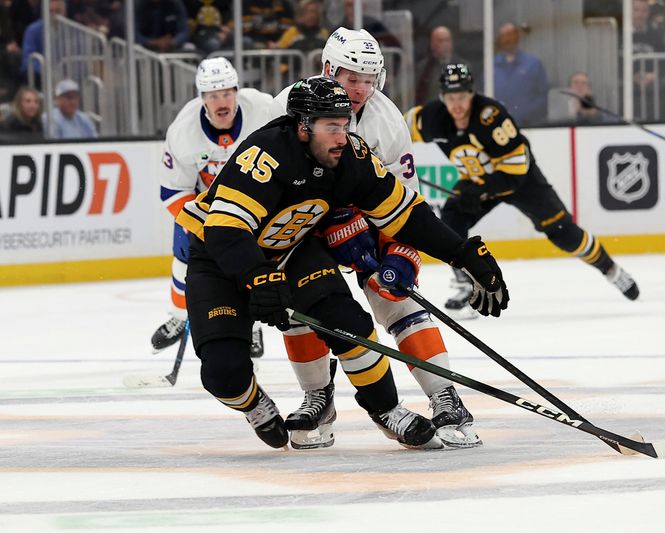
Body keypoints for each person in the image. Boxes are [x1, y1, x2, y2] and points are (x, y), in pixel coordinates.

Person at [174, 75, 508, 450]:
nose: (341, 136)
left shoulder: (350, 155)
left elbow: (406, 215)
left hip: (292, 251)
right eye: (331, 126)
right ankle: (256, 405)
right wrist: (257, 277)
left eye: (345, 124)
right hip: (219, 259)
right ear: (303, 127)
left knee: (350, 323)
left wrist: (464, 254)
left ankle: (386, 410)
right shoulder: (266, 154)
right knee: (224, 373)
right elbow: (225, 229)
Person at [268, 28, 482, 450]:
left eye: (370, 78)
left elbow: (403, 201)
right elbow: (268, 189)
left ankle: (444, 395)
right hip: (298, 226)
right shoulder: (286, 109)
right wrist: (331, 226)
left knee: (394, 295)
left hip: (363, 221)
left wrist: (401, 255)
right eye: (352, 78)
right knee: (303, 307)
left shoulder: (386, 120)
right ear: (329, 70)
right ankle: (319, 397)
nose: (362, 89)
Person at [406, 63, 640, 314]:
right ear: (442, 97)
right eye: (451, 98)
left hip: (521, 181)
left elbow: (515, 172)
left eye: (462, 96)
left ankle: (610, 269)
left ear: (472, 93)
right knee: (451, 222)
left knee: (564, 232)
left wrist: (481, 189)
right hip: (479, 180)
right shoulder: (431, 117)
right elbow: (396, 130)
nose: (457, 105)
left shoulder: (491, 117)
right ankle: (467, 284)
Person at [152, 57, 273, 358]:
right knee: (183, 256)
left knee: (249, 262)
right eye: (213, 95)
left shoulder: (262, 110)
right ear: (202, 99)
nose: (222, 101)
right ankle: (179, 318)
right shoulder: (183, 131)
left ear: (237, 91)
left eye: (227, 93)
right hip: (202, 205)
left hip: (254, 202)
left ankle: (253, 326)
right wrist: (204, 225)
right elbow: (172, 191)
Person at [493, 22, 548, 127]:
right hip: (498, 127)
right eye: (504, 36)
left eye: (510, 34)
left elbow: (543, 98)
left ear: (517, 37)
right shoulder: (491, 66)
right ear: (499, 40)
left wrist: (525, 115)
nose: (507, 39)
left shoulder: (533, 64)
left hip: (529, 126)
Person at [415, 26, 465, 105]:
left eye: (447, 40)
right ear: (432, 44)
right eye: (440, 41)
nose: (445, 44)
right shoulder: (423, 68)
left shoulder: (462, 66)